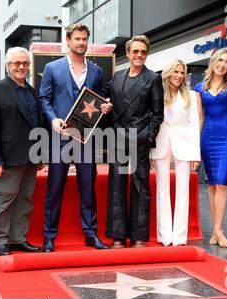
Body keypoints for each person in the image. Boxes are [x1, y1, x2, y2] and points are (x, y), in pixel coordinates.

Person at [39, 23, 112, 252]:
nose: (81, 43)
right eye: (77, 39)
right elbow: (44, 99)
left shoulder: (96, 71)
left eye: (84, 39)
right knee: (55, 188)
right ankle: (49, 236)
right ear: (68, 41)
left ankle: (91, 234)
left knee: (88, 188)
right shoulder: (52, 68)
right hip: (60, 136)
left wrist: (105, 108)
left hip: (85, 138)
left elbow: (98, 99)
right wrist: (52, 119)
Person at [105, 35, 164, 248]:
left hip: (140, 139)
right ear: (128, 53)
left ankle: (139, 235)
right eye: (135, 51)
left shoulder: (153, 79)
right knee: (117, 186)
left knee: (140, 185)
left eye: (143, 52)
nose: (139, 55)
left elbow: (158, 113)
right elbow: (105, 103)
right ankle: (118, 236)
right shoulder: (117, 78)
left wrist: (148, 136)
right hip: (119, 138)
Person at [0, 47, 43, 256]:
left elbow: (38, 123)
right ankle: (0, 241)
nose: (21, 67)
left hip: (31, 157)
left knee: (25, 199)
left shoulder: (32, 90)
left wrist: (41, 154)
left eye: (24, 63)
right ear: (7, 66)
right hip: (7, 157)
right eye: (16, 63)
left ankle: (18, 238)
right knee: (4, 199)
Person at [194, 49, 227, 248]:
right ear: (213, 61)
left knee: (222, 183)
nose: (223, 64)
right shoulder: (199, 87)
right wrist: (195, 144)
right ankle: (216, 230)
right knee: (213, 184)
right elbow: (200, 117)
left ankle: (219, 231)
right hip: (208, 137)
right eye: (220, 60)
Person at [150, 59, 200, 246]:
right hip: (161, 143)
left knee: (183, 190)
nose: (178, 76)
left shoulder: (191, 96)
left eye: (182, 72)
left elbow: (194, 124)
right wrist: (149, 152)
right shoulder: (157, 93)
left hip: (184, 145)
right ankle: (164, 235)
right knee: (162, 189)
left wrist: (196, 153)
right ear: (168, 73)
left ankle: (179, 236)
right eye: (175, 72)